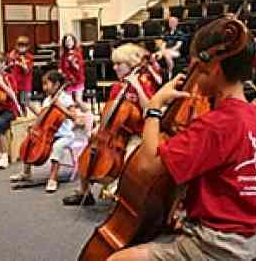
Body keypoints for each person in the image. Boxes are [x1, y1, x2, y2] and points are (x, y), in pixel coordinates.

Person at [107, 26, 256, 261]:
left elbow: (147, 165)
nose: (192, 73)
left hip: (221, 246)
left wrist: (154, 108)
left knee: (117, 260)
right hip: (253, 236)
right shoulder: (253, 115)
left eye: (195, 64)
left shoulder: (216, 124)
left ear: (212, 66)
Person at [62, 43, 162, 206]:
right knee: (89, 151)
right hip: (115, 132)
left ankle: (125, 195)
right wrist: (98, 128)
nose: (114, 68)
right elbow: (109, 111)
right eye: (114, 64)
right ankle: (84, 193)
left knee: (130, 157)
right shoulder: (117, 86)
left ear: (131, 65)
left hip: (137, 133)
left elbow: (150, 108)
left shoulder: (144, 82)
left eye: (119, 64)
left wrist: (137, 87)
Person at [10, 70, 81, 193]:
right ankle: (26, 173)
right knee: (30, 140)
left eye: (46, 84)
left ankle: (53, 179)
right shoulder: (47, 100)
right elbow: (43, 116)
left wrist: (59, 106)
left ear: (57, 84)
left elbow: (75, 117)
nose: (44, 88)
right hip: (48, 133)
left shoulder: (66, 99)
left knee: (58, 146)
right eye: (43, 84)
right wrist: (33, 116)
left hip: (64, 135)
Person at [59, 33, 88, 112]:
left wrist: (73, 63)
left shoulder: (78, 53)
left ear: (73, 42)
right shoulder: (63, 55)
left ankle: (89, 114)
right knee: (69, 103)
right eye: (66, 41)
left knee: (78, 100)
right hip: (68, 81)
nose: (68, 42)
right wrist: (61, 72)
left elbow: (80, 68)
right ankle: (74, 118)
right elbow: (61, 68)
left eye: (70, 40)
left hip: (78, 80)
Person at [8, 36, 35, 116]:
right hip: (15, 84)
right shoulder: (13, 55)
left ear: (28, 47)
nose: (21, 48)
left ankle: (30, 116)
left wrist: (22, 63)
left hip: (25, 85)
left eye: (24, 46)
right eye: (19, 45)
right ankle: (19, 117)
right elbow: (9, 67)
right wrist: (11, 59)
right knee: (16, 103)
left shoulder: (29, 57)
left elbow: (27, 70)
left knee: (25, 103)